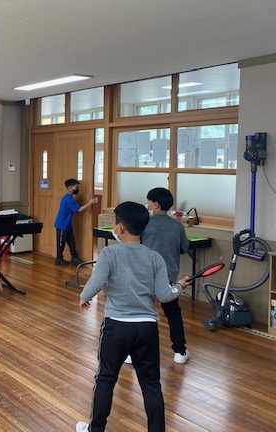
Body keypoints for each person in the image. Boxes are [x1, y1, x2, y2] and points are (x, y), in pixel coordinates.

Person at [76, 201, 191, 432]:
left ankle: (95, 429)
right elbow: (164, 295)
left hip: (116, 327)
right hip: (147, 328)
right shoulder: (154, 257)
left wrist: (84, 297)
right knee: (151, 384)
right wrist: (179, 286)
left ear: (119, 228)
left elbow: (95, 284)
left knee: (106, 379)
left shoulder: (109, 253)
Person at [142, 187, 191, 364]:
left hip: (144, 275)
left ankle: (133, 353)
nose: (147, 205)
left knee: (141, 312)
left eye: (149, 202)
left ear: (155, 204)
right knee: (173, 312)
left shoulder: (145, 223)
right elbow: (184, 248)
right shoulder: (177, 226)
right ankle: (180, 351)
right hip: (168, 276)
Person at [54, 178, 98, 265]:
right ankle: (59, 259)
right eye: (76, 187)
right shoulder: (68, 199)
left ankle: (74, 258)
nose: (77, 189)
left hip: (68, 225)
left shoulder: (68, 198)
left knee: (72, 242)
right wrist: (90, 203)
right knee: (61, 243)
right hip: (62, 225)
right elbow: (79, 209)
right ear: (69, 188)